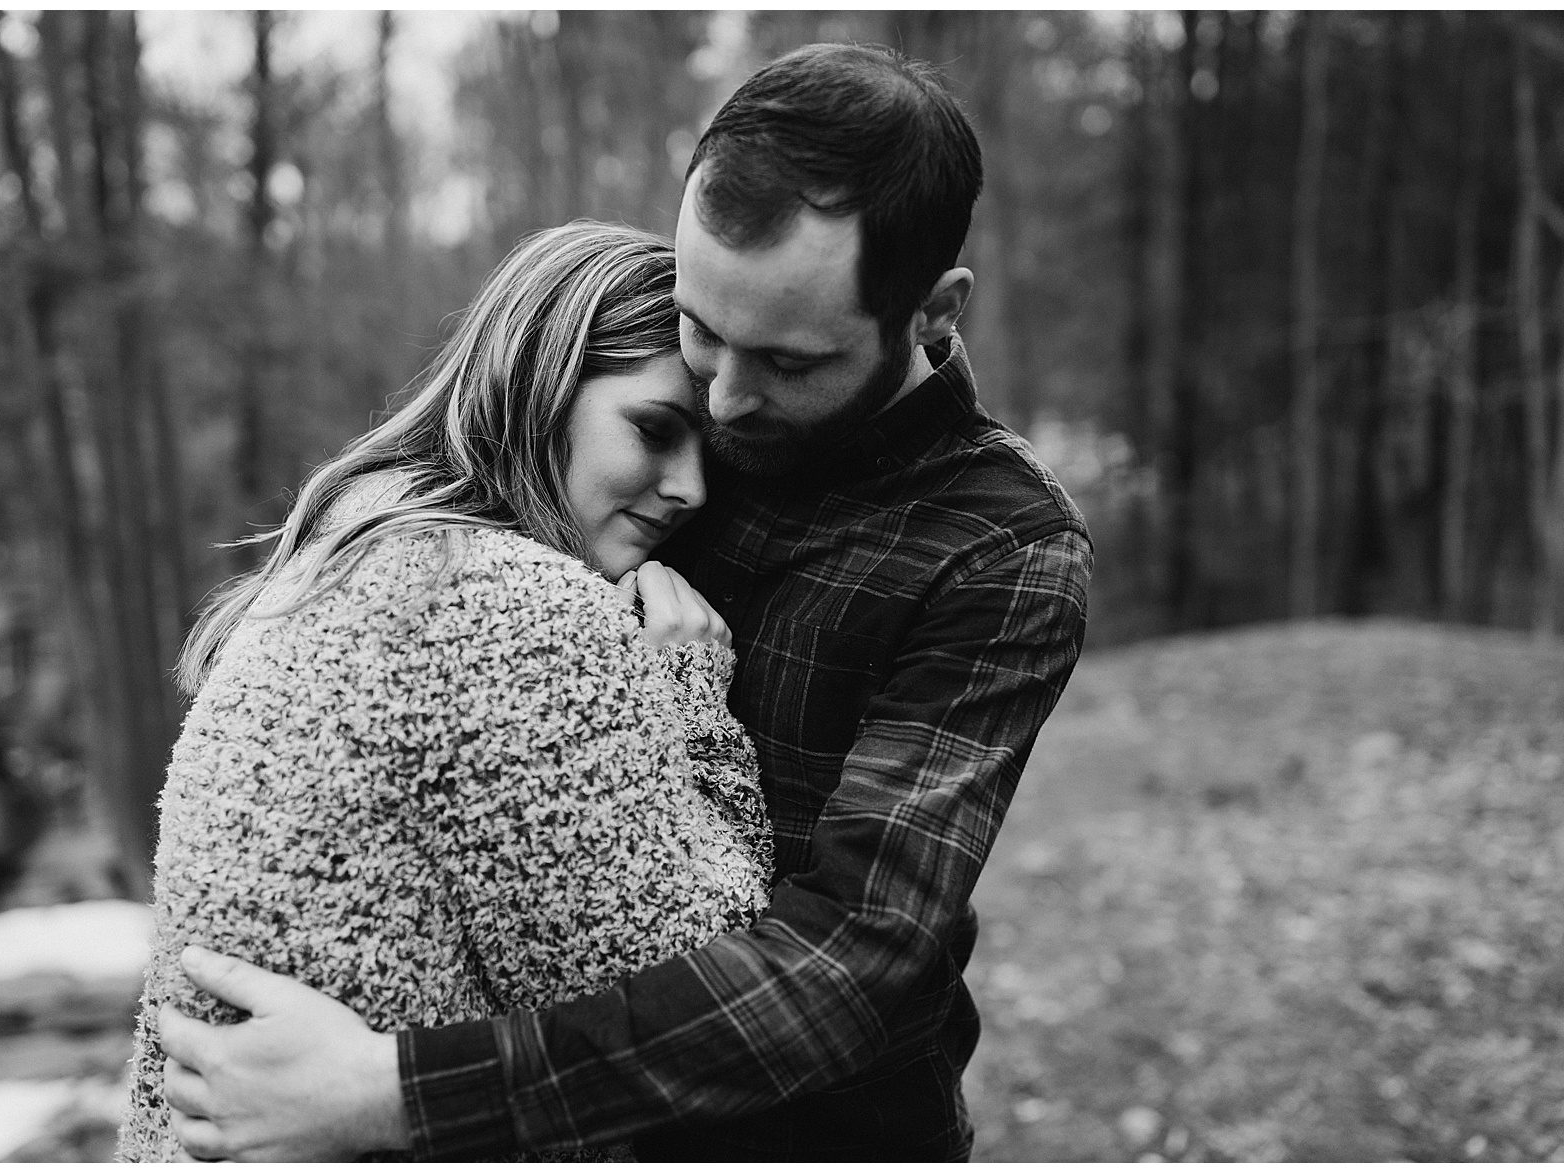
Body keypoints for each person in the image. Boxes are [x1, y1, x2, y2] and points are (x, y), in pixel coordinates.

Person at [157, 42, 1093, 1161]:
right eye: (702, 332)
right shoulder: (604, 455)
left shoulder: (999, 547)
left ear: (933, 313)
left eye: (792, 364)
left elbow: (856, 957)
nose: (731, 406)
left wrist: (402, 1094)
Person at [116, 221, 774, 1161]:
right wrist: (693, 700)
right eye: (655, 429)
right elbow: (698, 1007)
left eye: (710, 451)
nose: (690, 489)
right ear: (539, 385)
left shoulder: (360, 547)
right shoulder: (508, 603)